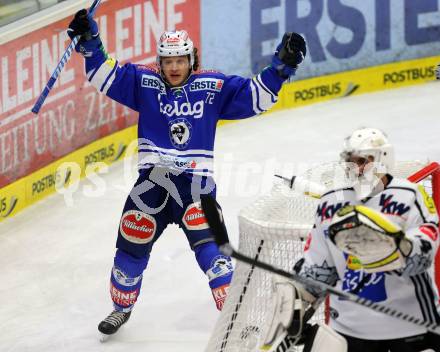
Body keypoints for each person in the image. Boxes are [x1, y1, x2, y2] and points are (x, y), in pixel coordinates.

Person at [67, 9, 307, 337]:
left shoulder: (213, 86)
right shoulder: (143, 82)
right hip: (151, 184)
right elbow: (102, 74)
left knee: (214, 255)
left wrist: (281, 68)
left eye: (180, 60)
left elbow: (255, 97)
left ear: (191, 59)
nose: (175, 67)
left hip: (195, 187)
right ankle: (120, 308)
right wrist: (90, 41)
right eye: (168, 61)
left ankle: (239, 317)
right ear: (160, 63)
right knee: (130, 243)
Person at [294, 127, 440, 351]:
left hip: (411, 326)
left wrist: (398, 247)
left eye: (364, 161)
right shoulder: (330, 202)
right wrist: (299, 302)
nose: (357, 168)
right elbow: (318, 267)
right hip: (348, 330)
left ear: (383, 158)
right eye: (352, 162)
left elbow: (425, 250)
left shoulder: (410, 194)